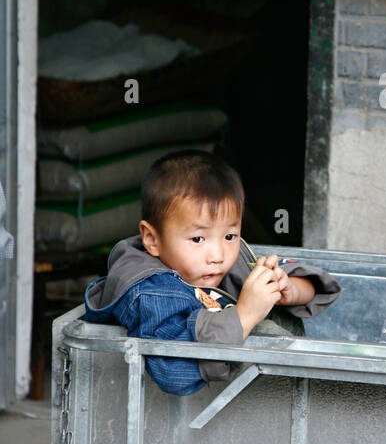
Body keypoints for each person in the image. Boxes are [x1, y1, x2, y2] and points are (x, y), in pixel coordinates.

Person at [84, 150, 341, 394]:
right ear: (152, 239)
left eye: (230, 235)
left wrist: (289, 289)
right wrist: (245, 315)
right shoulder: (151, 293)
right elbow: (172, 371)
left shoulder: (222, 259)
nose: (218, 255)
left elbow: (314, 286)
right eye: (197, 239)